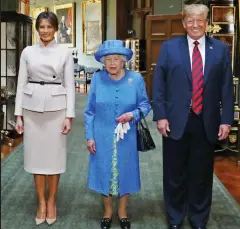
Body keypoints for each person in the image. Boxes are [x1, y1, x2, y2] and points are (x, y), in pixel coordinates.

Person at [152, 4, 234, 229]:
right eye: (190, 20)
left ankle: (198, 219)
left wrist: (226, 119)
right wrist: (160, 116)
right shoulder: (169, 48)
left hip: (206, 122)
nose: (195, 24)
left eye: (199, 20)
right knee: (174, 174)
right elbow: (159, 84)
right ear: (183, 23)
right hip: (175, 120)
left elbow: (227, 88)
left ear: (206, 23)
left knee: (201, 174)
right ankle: (175, 218)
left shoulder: (220, 50)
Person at [14, 11, 75, 225]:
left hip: (57, 109)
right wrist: (18, 114)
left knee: (54, 159)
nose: (45, 31)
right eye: (42, 27)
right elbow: (20, 84)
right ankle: (41, 201)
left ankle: (52, 201)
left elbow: (69, 85)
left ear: (56, 29)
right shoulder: (28, 52)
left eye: (49, 27)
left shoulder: (64, 52)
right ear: (37, 29)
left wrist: (69, 115)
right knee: (36, 158)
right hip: (31, 109)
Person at [84, 40, 151, 229]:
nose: (112, 63)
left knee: (126, 171)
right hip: (101, 134)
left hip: (127, 136)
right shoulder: (97, 79)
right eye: (108, 59)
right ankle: (107, 211)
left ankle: (122, 211)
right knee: (103, 170)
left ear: (123, 61)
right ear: (103, 62)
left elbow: (146, 105)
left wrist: (133, 114)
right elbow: (89, 111)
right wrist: (90, 136)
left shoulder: (135, 79)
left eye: (116, 59)